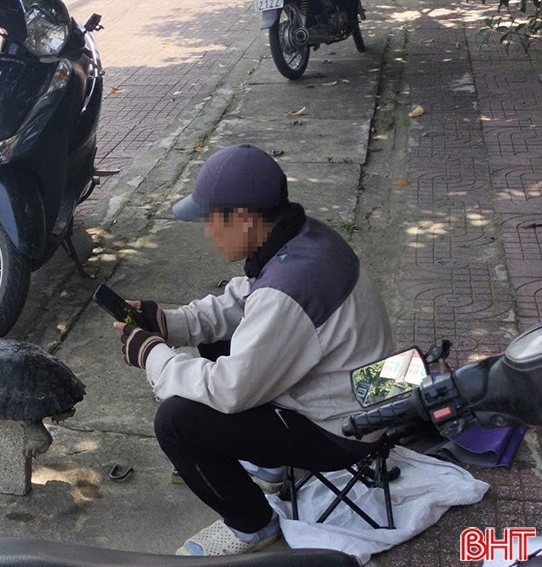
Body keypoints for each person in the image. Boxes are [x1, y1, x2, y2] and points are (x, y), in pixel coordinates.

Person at [111, 144, 394, 556]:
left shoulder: (287, 291)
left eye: (211, 220)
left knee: (176, 421)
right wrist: (168, 324)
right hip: (367, 389)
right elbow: (244, 301)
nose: (208, 231)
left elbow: (230, 390)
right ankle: (270, 463)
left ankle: (253, 526)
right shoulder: (304, 238)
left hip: (346, 428)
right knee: (215, 340)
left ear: (243, 218)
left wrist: (153, 355)